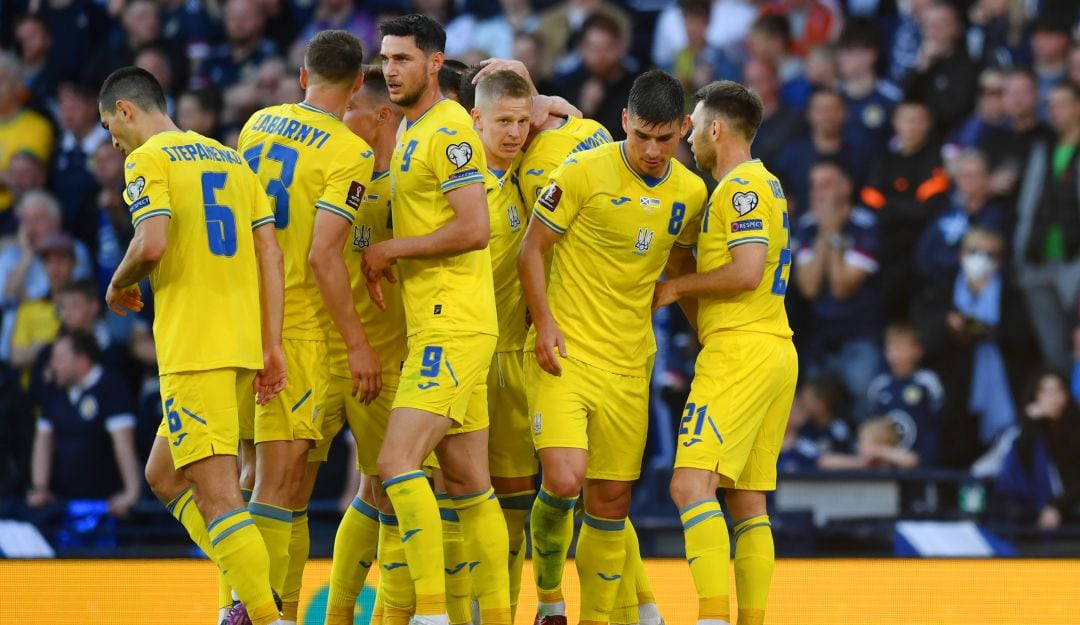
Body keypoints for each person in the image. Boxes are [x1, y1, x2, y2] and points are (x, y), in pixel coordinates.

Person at [98, 66, 286, 625]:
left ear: (128, 110)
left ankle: (262, 613)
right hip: (240, 344)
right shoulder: (230, 159)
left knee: (220, 496)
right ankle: (249, 590)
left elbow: (151, 241)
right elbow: (269, 255)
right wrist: (270, 343)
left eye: (112, 129)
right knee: (164, 475)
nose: (114, 143)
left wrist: (118, 281)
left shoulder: (146, 160)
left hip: (193, 348)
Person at [520, 69, 705, 625]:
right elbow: (532, 249)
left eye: (665, 138)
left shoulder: (690, 193)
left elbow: (680, 261)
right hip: (565, 353)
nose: (651, 150)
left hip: (630, 364)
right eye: (642, 135)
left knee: (609, 504)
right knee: (563, 478)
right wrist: (544, 321)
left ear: (684, 129)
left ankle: (597, 618)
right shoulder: (581, 171)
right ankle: (549, 598)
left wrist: (706, 332)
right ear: (624, 121)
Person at [363, 14, 510, 625]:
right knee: (468, 480)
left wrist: (389, 250)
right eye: (386, 59)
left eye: (402, 58)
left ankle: (429, 614)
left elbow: (475, 227)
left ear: (433, 62)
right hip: (446, 323)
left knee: (396, 464)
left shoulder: (448, 129)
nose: (390, 69)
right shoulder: (412, 129)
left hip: (452, 324)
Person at [237, 30, 378, 623]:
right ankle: (254, 613)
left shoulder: (257, 124)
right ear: (358, 85)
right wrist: (357, 343)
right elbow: (324, 257)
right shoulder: (349, 152)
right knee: (277, 485)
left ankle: (282, 611)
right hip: (297, 327)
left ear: (302, 76)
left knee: (269, 484)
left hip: (242, 319)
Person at [653, 79, 797, 625]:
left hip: (742, 353)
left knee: (690, 484)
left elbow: (745, 271)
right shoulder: (765, 185)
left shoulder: (742, 189)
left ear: (716, 127)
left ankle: (712, 617)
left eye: (694, 124)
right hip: (770, 348)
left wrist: (675, 288)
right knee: (746, 501)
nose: (687, 136)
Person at [321, 64, 409, 625]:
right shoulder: (340, 178)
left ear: (380, 116)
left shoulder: (408, 175)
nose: (338, 121)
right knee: (394, 492)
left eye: (349, 110)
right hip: (362, 355)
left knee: (376, 488)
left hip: (396, 352)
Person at [794, 161, 883, 420]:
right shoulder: (807, 226)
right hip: (820, 339)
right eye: (814, 186)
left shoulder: (864, 225)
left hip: (859, 337)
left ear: (846, 188)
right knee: (813, 409)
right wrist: (826, 232)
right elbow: (809, 288)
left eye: (826, 185)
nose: (818, 193)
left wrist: (832, 233)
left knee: (864, 402)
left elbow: (842, 286)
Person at [27, 331, 140, 519]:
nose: (52, 365)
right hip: (62, 502)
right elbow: (43, 441)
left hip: (105, 505)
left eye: (59, 358)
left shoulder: (111, 386)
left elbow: (124, 443)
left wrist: (132, 492)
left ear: (82, 359)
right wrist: (40, 487)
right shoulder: (53, 389)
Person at [1013, 82, 1080, 373]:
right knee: (1054, 352)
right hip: (1037, 259)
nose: (1054, 111)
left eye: (1061, 103)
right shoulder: (1042, 146)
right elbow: (1027, 205)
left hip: (1074, 261)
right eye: (1050, 104)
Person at [995, 370, 1080, 530]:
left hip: (1070, 511)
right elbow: (1020, 463)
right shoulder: (1028, 428)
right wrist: (1029, 421)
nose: (1052, 397)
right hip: (1032, 509)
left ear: (1066, 395)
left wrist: (1057, 508)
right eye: (1046, 391)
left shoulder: (1076, 427)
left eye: (1057, 390)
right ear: (1036, 396)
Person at [866, 323, 945, 467]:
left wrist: (926, 457)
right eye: (890, 348)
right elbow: (873, 426)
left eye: (901, 348)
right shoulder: (879, 386)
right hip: (888, 464)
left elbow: (937, 423)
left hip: (923, 465)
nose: (895, 354)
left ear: (918, 350)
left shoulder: (927, 382)